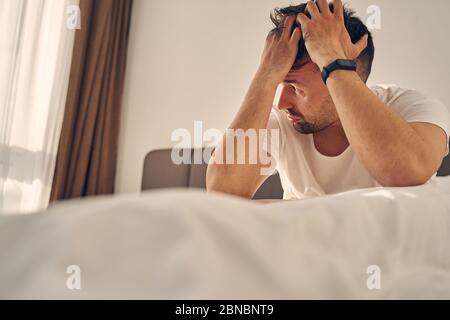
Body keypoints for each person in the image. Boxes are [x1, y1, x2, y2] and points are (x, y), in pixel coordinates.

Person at [206, 0, 450, 199]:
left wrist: (333, 60)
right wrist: (265, 76)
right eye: (280, 84)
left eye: (295, 88)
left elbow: (408, 173)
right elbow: (221, 192)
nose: (281, 103)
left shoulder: (414, 108)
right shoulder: (281, 122)